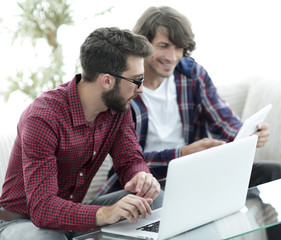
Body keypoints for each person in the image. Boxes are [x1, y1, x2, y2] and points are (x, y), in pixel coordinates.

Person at [0, 27, 163, 240]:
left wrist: (140, 176)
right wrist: (107, 213)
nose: (141, 89)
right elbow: (43, 209)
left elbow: (130, 159)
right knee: (47, 238)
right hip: (23, 222)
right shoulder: (43, 117)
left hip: (72, 215)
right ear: (107, 81)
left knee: (153, 203)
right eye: (136, 80)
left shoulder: (118, 107)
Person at [100, 6, 281, 195]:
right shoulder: (125, 85)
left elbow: (223, 121)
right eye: (163, 46)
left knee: (274, 173)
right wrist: (183, 154)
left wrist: (248, 134)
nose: (172, 57)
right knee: (163, 198)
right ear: (144, 44)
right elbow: (128, 162)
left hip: (195, 172)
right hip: (143, 182)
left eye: (179, 47)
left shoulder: (191, 74)